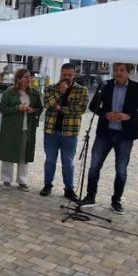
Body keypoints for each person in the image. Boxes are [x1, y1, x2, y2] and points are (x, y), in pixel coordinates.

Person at [81, 63, 138, 214]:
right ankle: (90, 196)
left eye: (121, 70)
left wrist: (129, 116)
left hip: (124, 136)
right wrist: (105, 114)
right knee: (94, 166)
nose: (118, 73)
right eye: (116, 70)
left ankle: (116, 201)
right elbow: (93, 106)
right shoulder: (105, 85)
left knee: (121, 170)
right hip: (104, 133)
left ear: (129, 72)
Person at [40, 63, 88, 199]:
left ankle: (69, 189)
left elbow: (81, 109)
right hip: (51, 130)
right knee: (50, 160)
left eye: (70, 75)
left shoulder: (81, 90)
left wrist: (61, 108)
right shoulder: (50, 88)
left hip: (70, 132)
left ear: (75, 75)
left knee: (68, 162)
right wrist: (61, 93)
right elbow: (48, 104)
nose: (66, 77)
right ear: (60, 74)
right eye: (64, 74)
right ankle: (47, 184)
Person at [0, 68, 42, 190]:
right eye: (26, 77)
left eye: (30, 77)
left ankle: (22, 180)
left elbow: (40, 108)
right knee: (9, 153)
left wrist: (34, 110)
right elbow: (3, 109)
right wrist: (17, 108)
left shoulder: (34, 93)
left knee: (24, 153)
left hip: (27, 127)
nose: (29, 79)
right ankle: (6, 179)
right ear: (19, 79)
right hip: (11, 128)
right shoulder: (9, 92)